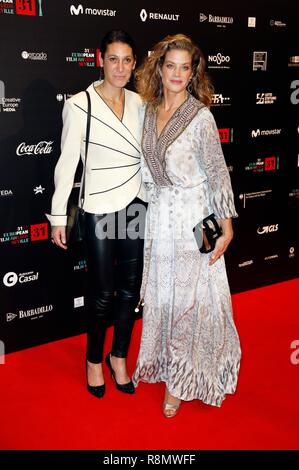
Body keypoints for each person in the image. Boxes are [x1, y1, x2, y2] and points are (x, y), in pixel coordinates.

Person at [132, 34, 241, 417]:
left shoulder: (201, 116)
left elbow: (217, 174)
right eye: (170, 65)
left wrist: (225, 226)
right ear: (159, 68)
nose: (177, 73)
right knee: (165, 298)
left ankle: (180, 382)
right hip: (161, 221)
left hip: (197, 220)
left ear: (193, 73)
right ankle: (162, 363)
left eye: (185, 67)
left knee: (193, 302)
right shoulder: (147, 111)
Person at [47, 30, 147, 399]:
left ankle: (118, 356)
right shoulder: (79, 104)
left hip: (135, 204)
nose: (120, 67)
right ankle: (93, 360)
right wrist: (59, 216)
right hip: (99, 208)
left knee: (129, 290)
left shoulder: (141, 103)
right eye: (113, 59)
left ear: (135, 64)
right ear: (99, 59)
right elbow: (67, 163)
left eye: (126, 60)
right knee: (103, 292)